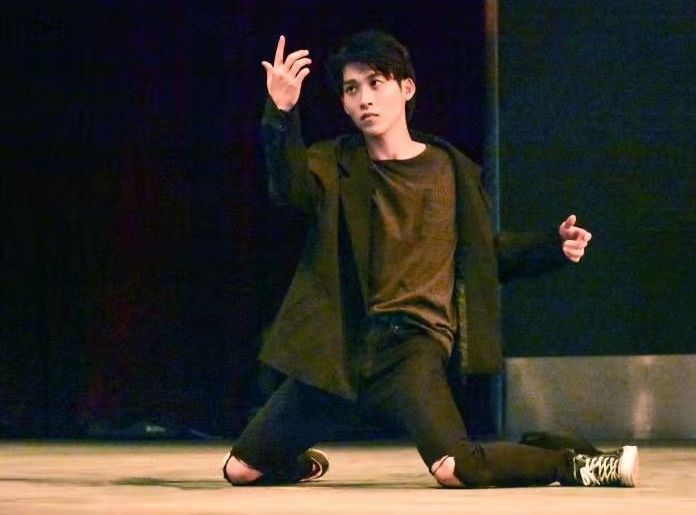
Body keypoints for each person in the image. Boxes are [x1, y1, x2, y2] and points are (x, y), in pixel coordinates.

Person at [222, 31, 639, 488]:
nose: (364, 99)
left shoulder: (450, 169)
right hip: (344, 347)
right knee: (240, 470)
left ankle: (569, 462)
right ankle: (301, 462)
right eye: (351, 89)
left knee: (456, 469)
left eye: (376, 83)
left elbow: (483, 257)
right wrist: (281, 111)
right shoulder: (335, 163)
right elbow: (289, 189)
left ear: (406, 88)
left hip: (411, 346)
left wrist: (550, 246)